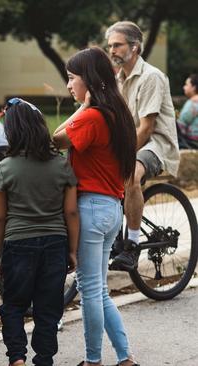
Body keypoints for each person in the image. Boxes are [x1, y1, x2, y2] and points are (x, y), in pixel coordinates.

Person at [53, 47, 139, 366]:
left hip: (90, 209)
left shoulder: (92, 116)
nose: (68, 85)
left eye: (72, 78)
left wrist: (80, 109)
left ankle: (92, 361)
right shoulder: (118, 114)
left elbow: (55, 140)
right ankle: (125, 357)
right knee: (98, 290)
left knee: (90, 291)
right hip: (111, 210)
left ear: (88, 80)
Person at [0, 98, 79, 366]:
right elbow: (71, 213)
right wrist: (72, 250)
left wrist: (1, 254)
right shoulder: (62, 165)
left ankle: (17, 358)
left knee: (13, 306)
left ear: (12, 131)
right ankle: (44, 359)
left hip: (18, 245)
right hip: (55, 244)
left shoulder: (5, 168)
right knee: (48, 309)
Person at [105, 21, 180, 271]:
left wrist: (121, 157)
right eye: (110, 46)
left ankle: (132, 245)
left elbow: (147, 128)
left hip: (157, 144)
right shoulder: (117, 80)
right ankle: (113, 236)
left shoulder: (152, 77)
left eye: (117, 45)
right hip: (133, 142)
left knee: (129, 174)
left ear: (135, 47)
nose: (112, 50)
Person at [177, 74, 198, 149]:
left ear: (194, 87)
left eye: (186, 85)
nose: (184, 87)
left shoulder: (193, 103)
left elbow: (181, 125)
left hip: (192, 142)